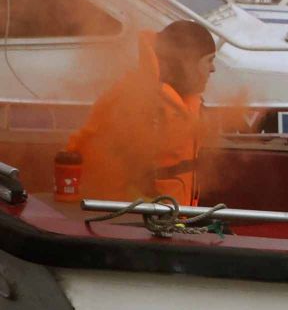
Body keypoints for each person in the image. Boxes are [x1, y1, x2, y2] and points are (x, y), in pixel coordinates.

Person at [63, 20, 230, 206]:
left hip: (173, 220)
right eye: (209, 60)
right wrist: (152, 214)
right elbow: (113, 176)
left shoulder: (180, 102)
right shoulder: (136, 103)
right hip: (136, 224)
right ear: (187, 62)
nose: (213, 69)